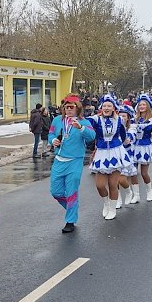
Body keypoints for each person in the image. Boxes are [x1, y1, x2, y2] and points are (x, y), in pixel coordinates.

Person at [48, 94, 95, 233]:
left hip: (75, 161)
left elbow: (92, 137)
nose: (68, 110)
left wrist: (80, 128)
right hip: (59, 160)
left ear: (77, 108)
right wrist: (53, 140)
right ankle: (72, 206)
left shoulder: (84, 122)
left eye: (71, 107)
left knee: (71, 191)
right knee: (55, 192)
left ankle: (70, 220)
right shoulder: (57, 120)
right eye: (66, 107)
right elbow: (50, 135)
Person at [86, 95, 134, 219]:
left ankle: (113, 209)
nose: (106, 108)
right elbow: (84, 121)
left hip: (116, 153)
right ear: (101, 108)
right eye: (104, 106)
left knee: (113, 184)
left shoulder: (119, 120)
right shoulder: (96, 119)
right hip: (101, 153)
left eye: (109, 106)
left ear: (113, 108)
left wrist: (126, 145)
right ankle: (106, 203)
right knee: (100, 185)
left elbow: (123, 135)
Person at [128, 94, 152, 203]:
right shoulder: (134, 119)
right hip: (134, 147)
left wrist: (140, 125)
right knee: (133, 172)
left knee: (144, 173)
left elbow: (149, 127)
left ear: (148, 106)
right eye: (140, 104)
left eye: (144, 104)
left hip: (145, 147)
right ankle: (136, 195)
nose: (141, 106)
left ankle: (149, 191)